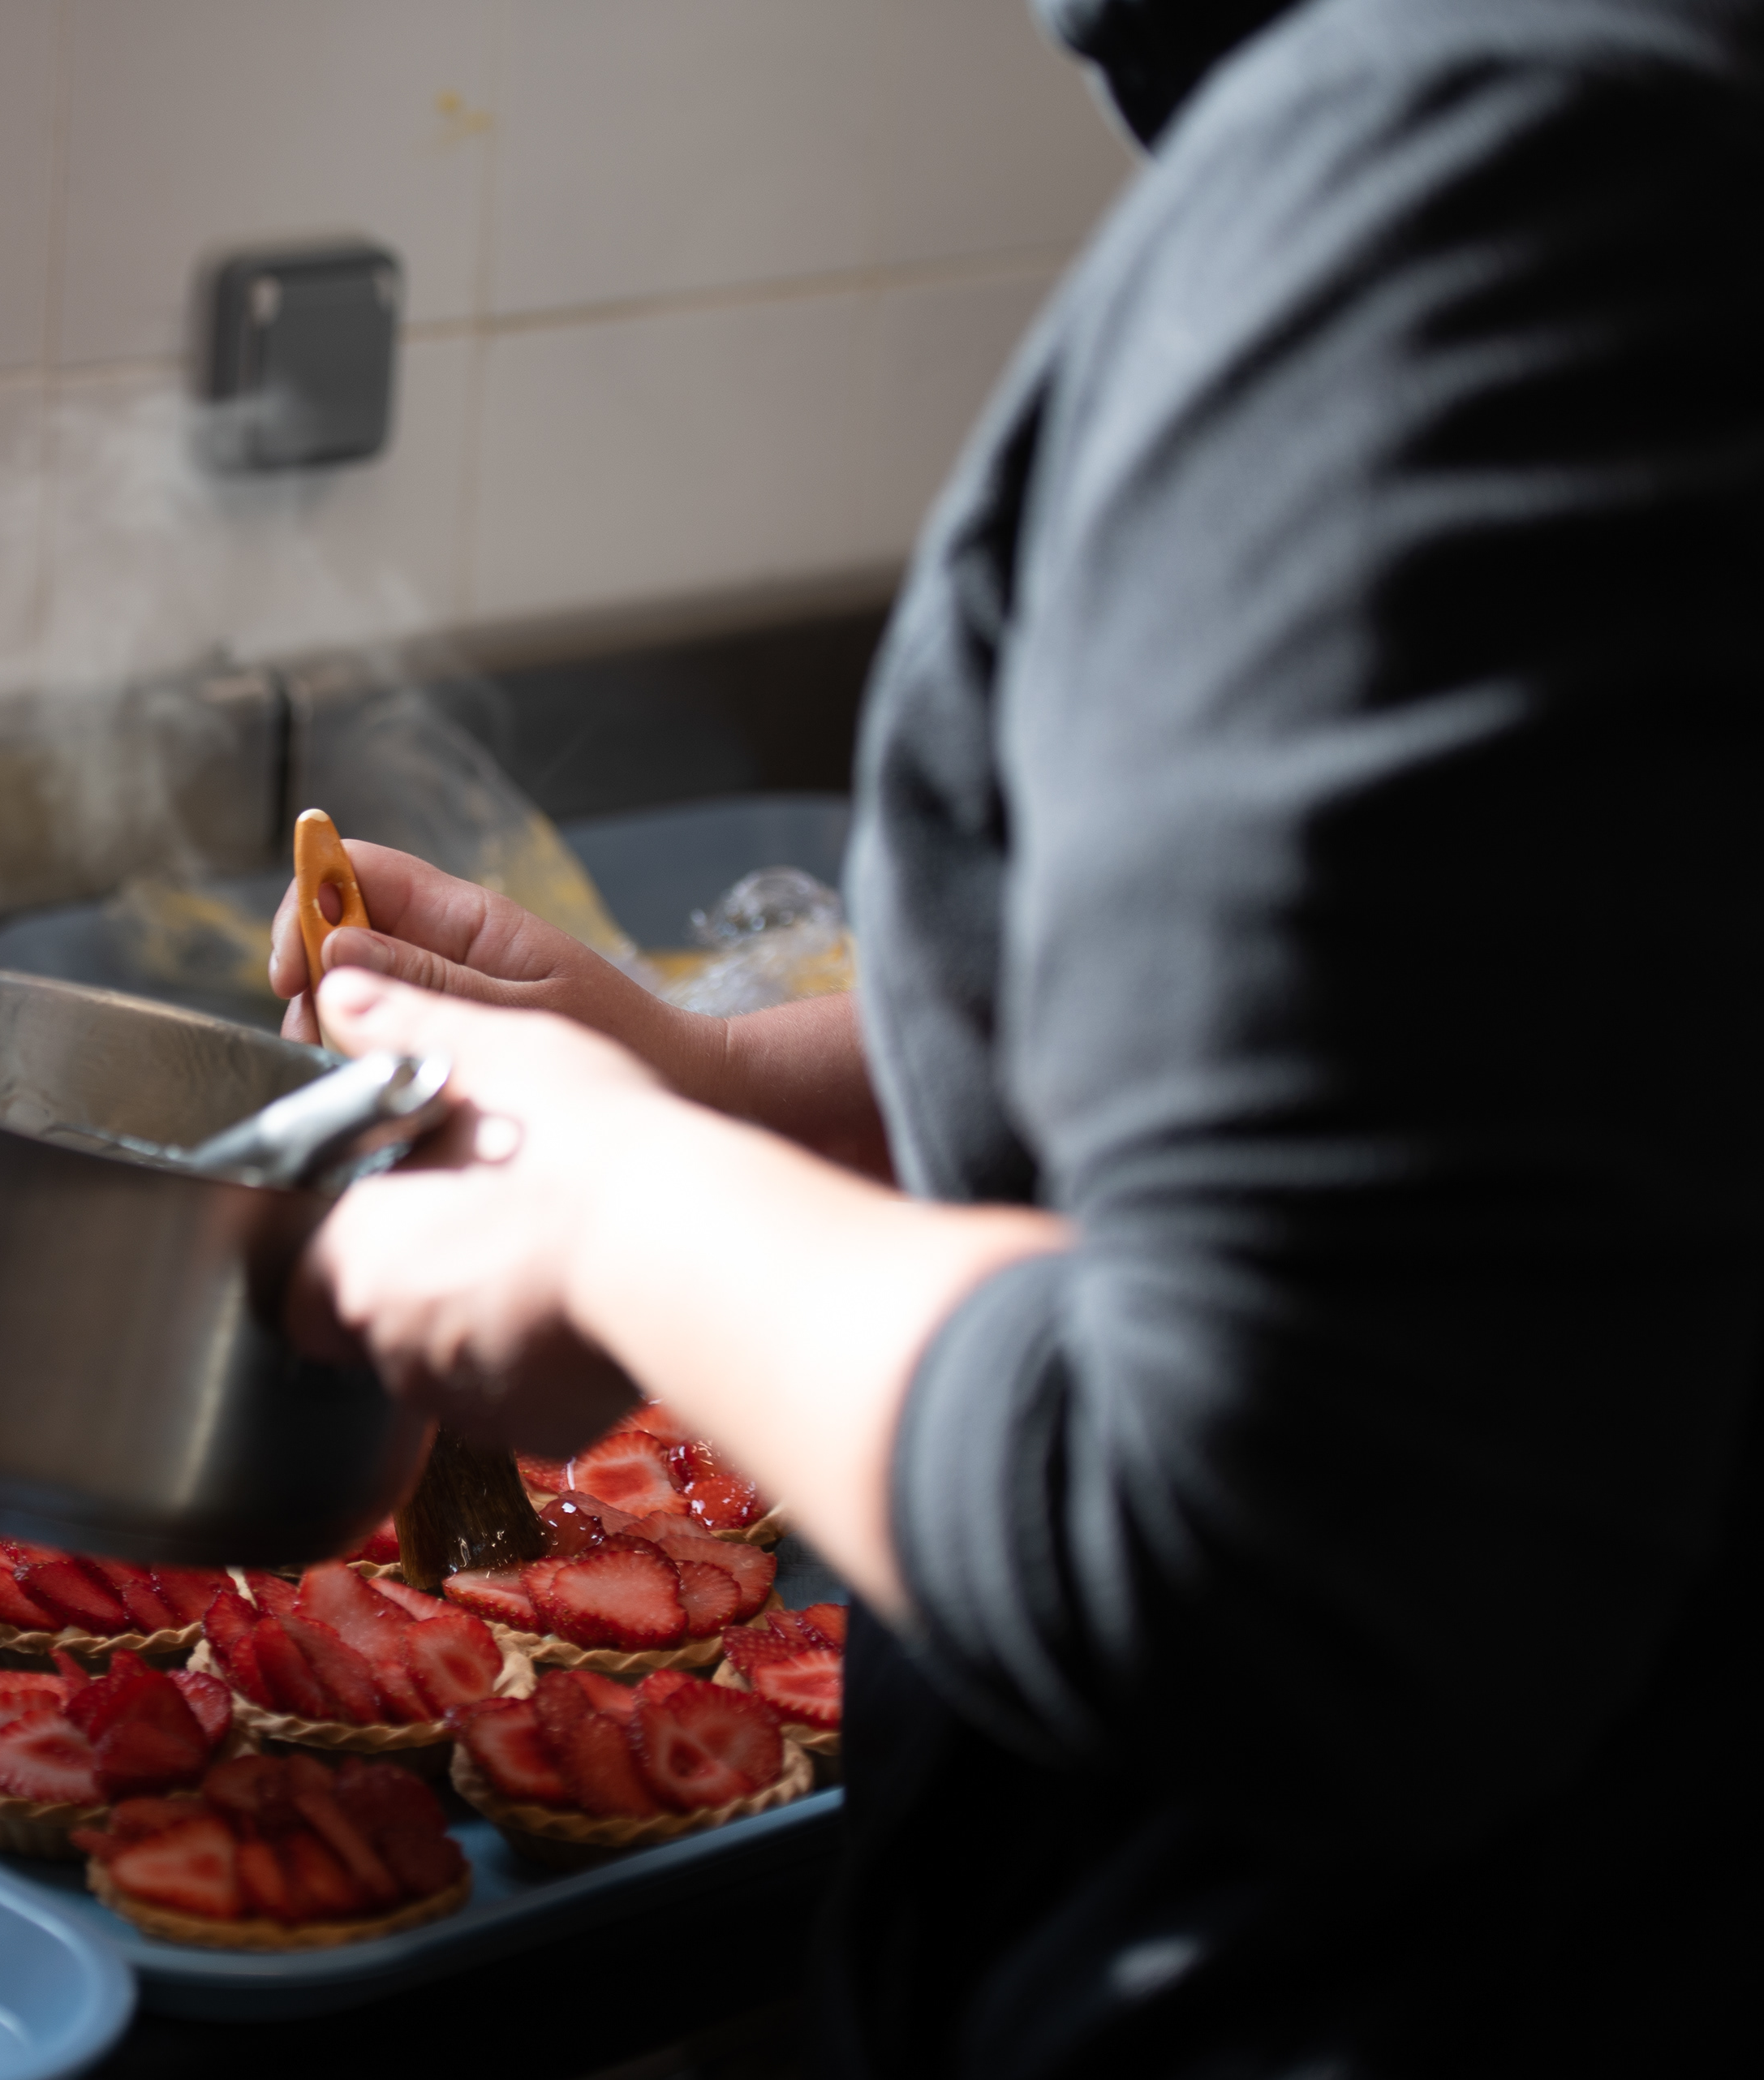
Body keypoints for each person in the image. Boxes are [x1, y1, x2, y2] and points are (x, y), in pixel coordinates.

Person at [270, 2, 1761, 2072]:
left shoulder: (1483, 160)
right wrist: (732, 1099)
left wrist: (620, 1209)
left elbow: (1284, 1521)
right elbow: (1519, 1055)